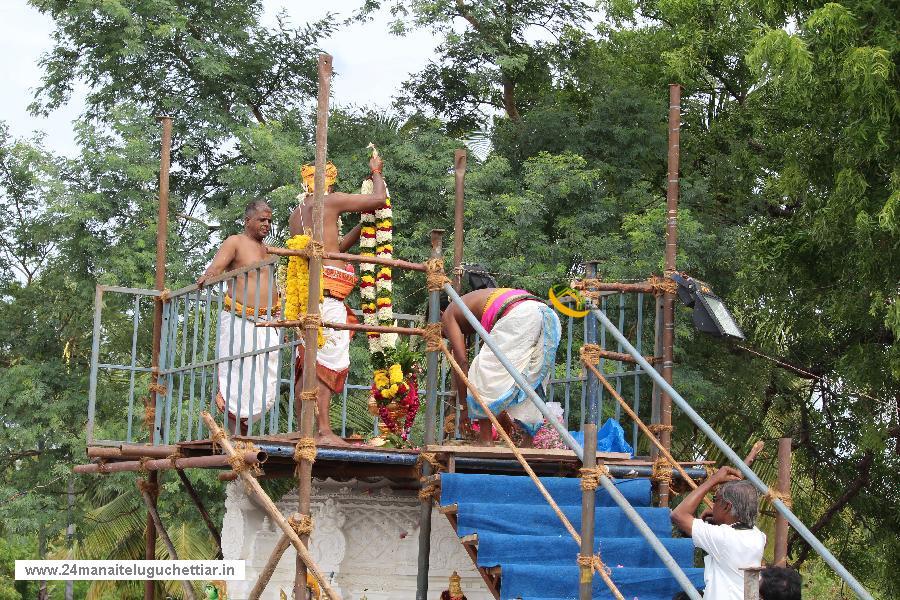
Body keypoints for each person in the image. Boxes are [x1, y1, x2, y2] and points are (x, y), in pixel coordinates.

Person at [290, 155, 387, 446]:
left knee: (308, 362)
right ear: (327, 182)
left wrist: (363, 227)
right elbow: (379, 198)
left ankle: (305, 429)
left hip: (309, 296)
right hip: (327, 296)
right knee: (325, 365)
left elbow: (335, 248)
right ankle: (323, 431)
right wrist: (376, 171)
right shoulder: (328, 201)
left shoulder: (298, 212)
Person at [197, 200, 280, 434]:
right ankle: (235, 434)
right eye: (262, 220)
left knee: (263, 376)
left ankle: (245, 432)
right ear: (247, 221)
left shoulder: (269, 250)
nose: (267, 224)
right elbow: (217, 267)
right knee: (237, 372)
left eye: (269, 221)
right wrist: (208, 275)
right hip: (238, 318)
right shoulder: (235, 241)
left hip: (266, 322)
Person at [441, 287, 562, 446]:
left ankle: (485, 439)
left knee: (481, 369)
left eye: (442, 333)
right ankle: (527, 442)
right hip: (548, 315)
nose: (445, 336)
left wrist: (464, 408)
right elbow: (503, 377)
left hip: (520, 315)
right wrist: (500, 413)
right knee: (529, 379)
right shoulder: (477, 306)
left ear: (440, 315)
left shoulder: (448, 314)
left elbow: (461, 362)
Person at [671, 466, 767, 600]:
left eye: (715, 499)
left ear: (727, 506)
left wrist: (713, 480)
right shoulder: (758, 537)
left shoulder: (724, 538)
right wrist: (721, 519)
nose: (712, 504)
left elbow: (678, 515)